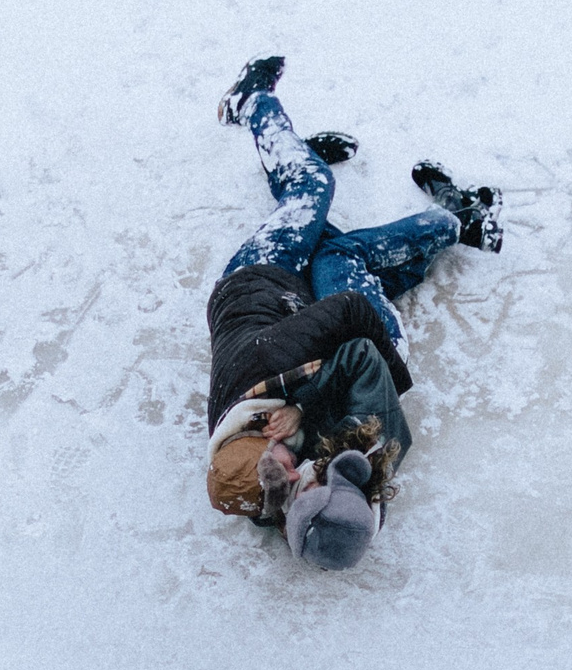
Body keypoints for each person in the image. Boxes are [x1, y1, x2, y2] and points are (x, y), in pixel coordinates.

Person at [201, 56, 502, 570]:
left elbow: (343, 318)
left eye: (283, 465)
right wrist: (319, 405)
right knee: (338, 254)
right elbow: (357, 331)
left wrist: (304, 408)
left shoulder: (268, 366)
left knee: (317, 208)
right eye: (297, 474)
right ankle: (461, 221)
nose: (293, 468)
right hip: (363, 337)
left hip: (262, 281)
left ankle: (252, 105)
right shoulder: (333, 478)